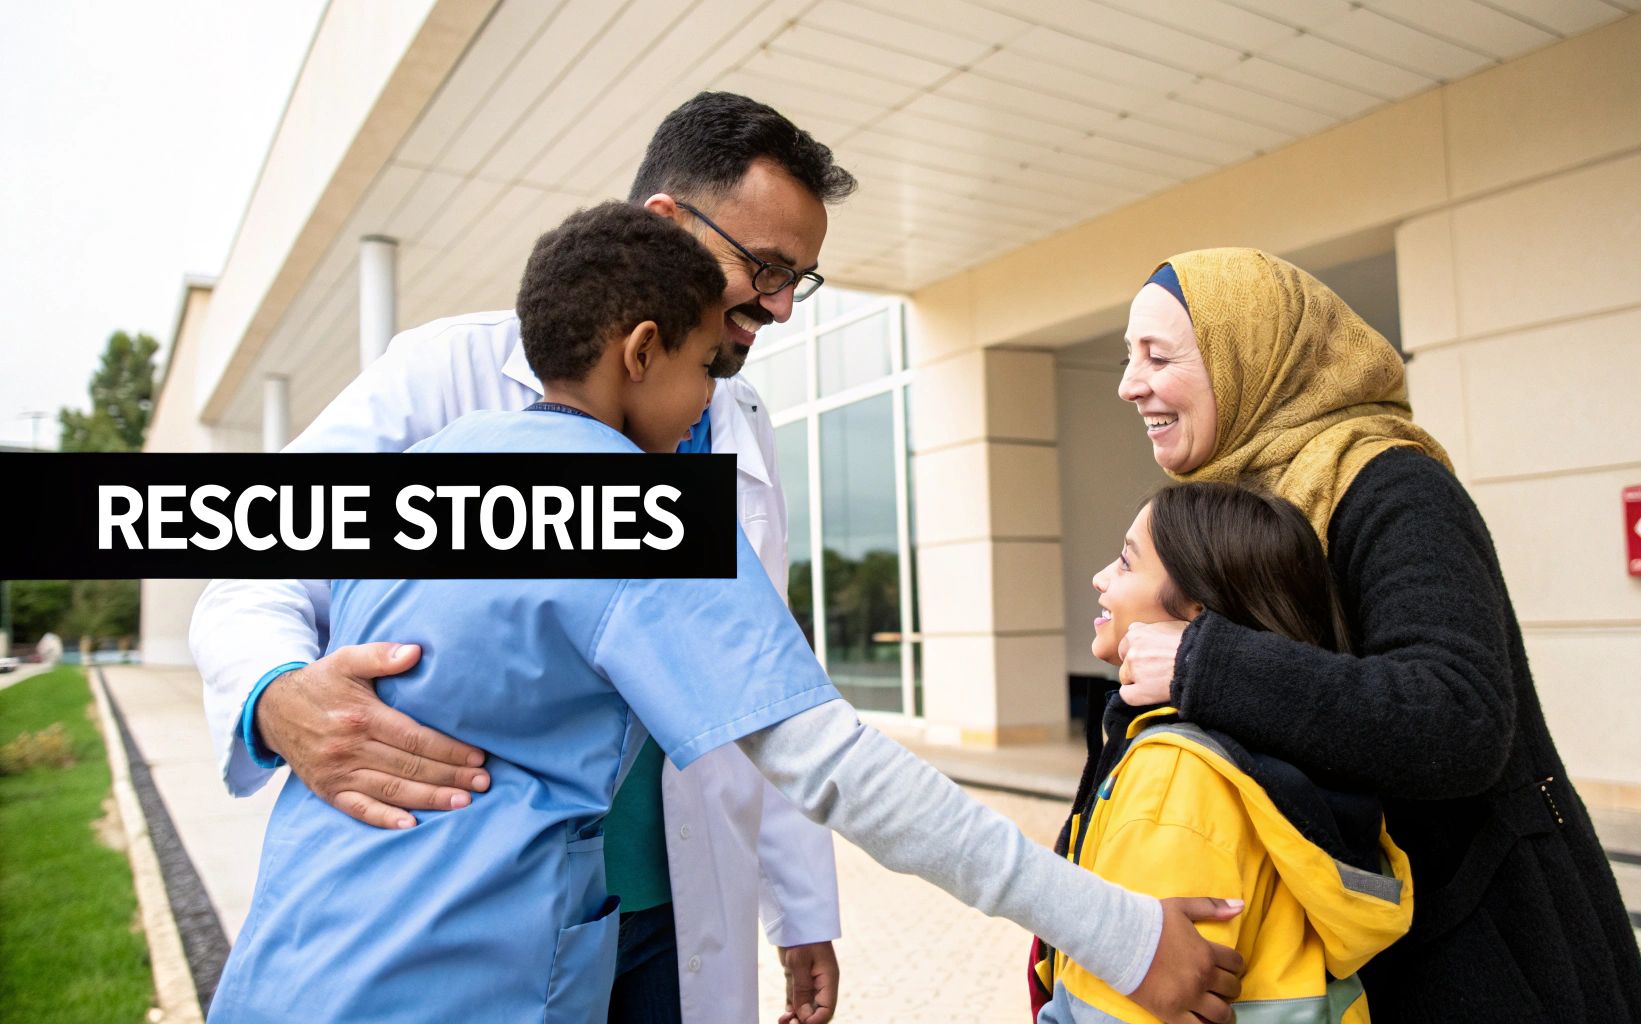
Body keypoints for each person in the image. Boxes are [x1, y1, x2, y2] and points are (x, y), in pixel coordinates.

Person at [207, 203, 1246, 1024]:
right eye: (708, 363)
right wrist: (1118, 932)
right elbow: (838, 765)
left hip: (299, 958)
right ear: (641, 350)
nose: (713, 403)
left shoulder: (433, 469)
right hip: (453, 978)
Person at [191, 92, 852, 1024]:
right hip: (469, 907)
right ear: (666, 223)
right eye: (767, 267)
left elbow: (761, 683)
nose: (781, 306)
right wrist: (274, 693)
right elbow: (259, 562)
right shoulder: (443, 377)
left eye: (802, 279)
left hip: (677, 903)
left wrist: (802, 906)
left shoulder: (742, 425)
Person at [1112, 250, 1641, 1022]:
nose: (1130, 384)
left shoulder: (1390, 485)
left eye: (1157, 356)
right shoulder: (1235, 507)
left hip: (1475, 950)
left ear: (1252, 358)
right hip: (1354, 949)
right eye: (1128, 357)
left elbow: (1457, 717)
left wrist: (1208, 660)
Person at [1032, 482, 1412, 1024]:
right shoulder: (1271, 750)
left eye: (1125, 562)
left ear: (1197, 608)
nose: (1101, 578)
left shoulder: (1177, 776)